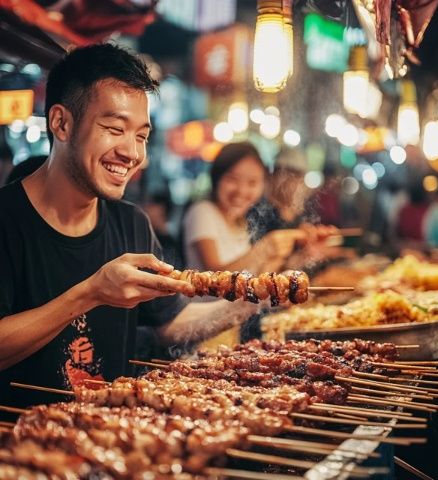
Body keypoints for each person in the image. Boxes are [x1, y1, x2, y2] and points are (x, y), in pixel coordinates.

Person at [0, 44, 262, 412]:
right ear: (62, 123)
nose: (132, 153)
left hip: (111, 448)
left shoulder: (131, 223)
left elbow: (169, 323)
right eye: (114, 129)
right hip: (23, 455)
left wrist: (253, 298)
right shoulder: (7, 221)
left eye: (141, 136)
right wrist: (90, 293)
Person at [183, 142, 303, 276]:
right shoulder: (202, 211)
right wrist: (265, 247)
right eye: (232, 179)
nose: (241, 191)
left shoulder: (241, 222)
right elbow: (216, 277)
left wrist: (302, 257)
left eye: (252, 183)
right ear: (217, 178)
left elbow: (251, 279)